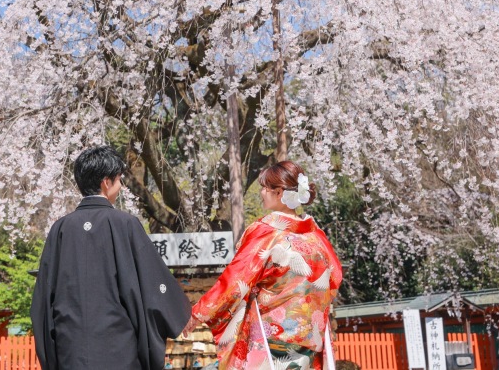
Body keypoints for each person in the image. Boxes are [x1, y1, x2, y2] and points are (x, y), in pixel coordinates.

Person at [30, 145, 191, 370]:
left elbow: (43, 297)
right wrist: (180, 313)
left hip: (70, 351)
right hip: (118, 351)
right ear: (106, 182)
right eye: (119, 180)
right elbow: (153, 282)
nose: (121, 186)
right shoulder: (125, 224)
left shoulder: (61, 229)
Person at [183, 161, 342, 370]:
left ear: (279, 192)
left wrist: (198, 314)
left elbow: (236, 280)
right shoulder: (317, 237)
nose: (262, 193)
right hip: (311, 340)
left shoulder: (267, 232)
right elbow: (335, 277)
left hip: (270, 338)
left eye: (265, 188)